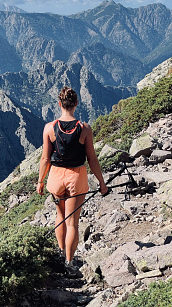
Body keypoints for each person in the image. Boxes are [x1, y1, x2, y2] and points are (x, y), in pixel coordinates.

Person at [36, 86, 108, 275]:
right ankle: (69, 263)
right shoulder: (84, 129)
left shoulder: (49, 128)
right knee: (72, 223)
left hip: (56, 177)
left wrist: (40, 181)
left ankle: (61, 253)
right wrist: (101, 182)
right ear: (76, 104)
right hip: (77, 178)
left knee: (60, 217)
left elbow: (45, 158)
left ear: (59, 104)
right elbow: (92, 159)